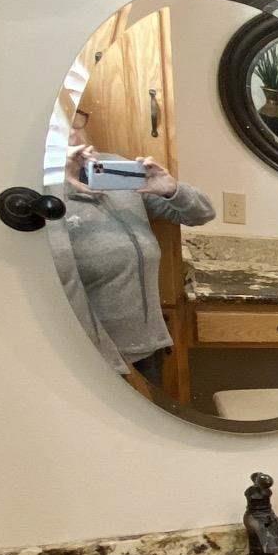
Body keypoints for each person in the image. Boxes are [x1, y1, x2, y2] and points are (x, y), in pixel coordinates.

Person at [47, 144, 214, 386]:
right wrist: (57, 182)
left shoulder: (114, 168)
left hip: (149, 343)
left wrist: (171, 189)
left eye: (78, 121)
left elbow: (202, 213)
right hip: (92, 352)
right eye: (62, 125)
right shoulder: (40, 189)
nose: (74, 132)